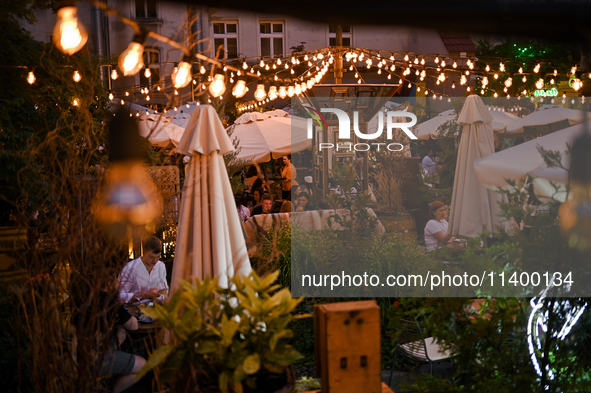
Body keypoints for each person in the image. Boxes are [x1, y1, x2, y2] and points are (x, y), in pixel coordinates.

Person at [99, 304, 147, 393]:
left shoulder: (86, 297)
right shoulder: (107, 299)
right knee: (143, 366)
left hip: (79, 352)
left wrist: (120, 326)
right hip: (94, 357)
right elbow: (134, 326)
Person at [119, 236, 169, 303]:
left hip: (157, 308)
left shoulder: (161, 266)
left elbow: (165, 291)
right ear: (144, 252)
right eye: (151, 257)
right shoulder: (130, 268)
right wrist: (145, 295)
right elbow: (121, 296)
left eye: (158, 257)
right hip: (135, 310)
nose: (155, 260)